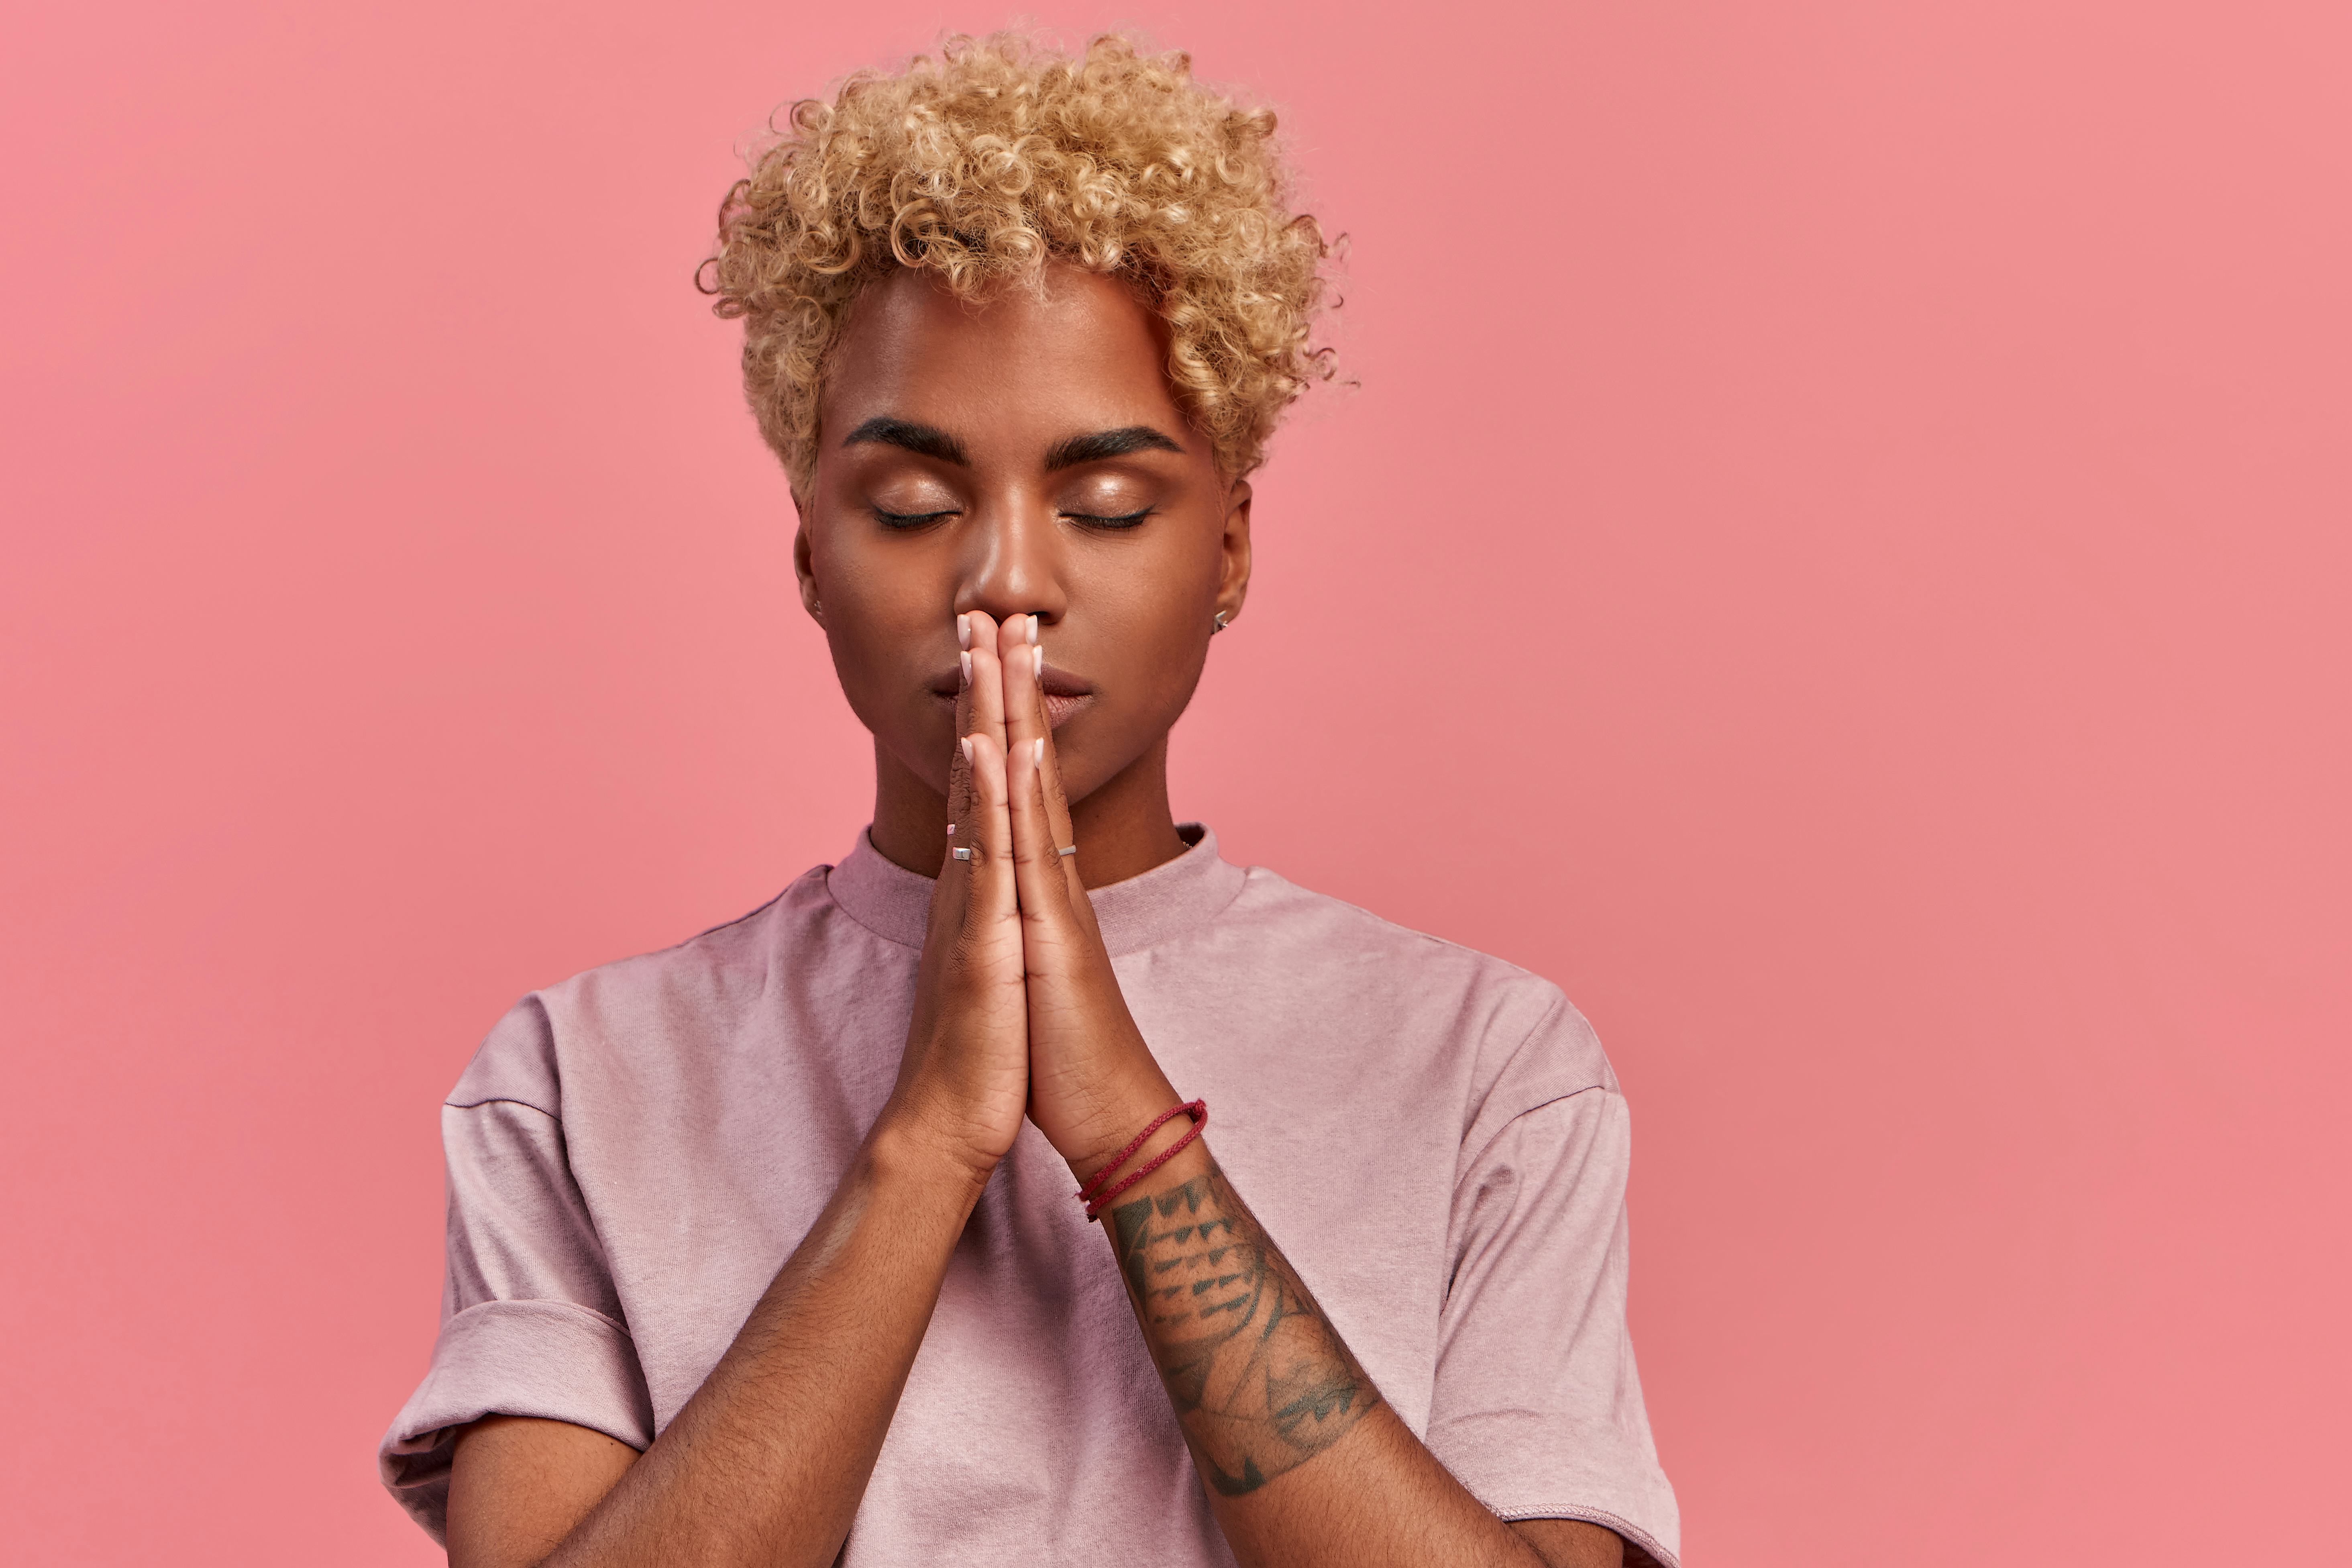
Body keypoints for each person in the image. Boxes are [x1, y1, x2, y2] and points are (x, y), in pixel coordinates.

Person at [379, 31, 1680, 1568]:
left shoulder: (1485, 1066)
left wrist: (1130, 1133)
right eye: (914, 504)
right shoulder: (579, 1079)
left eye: (1105, 504)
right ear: (810, 551)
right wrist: (928, 1137)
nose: (1006, 580)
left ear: (1231, 551)